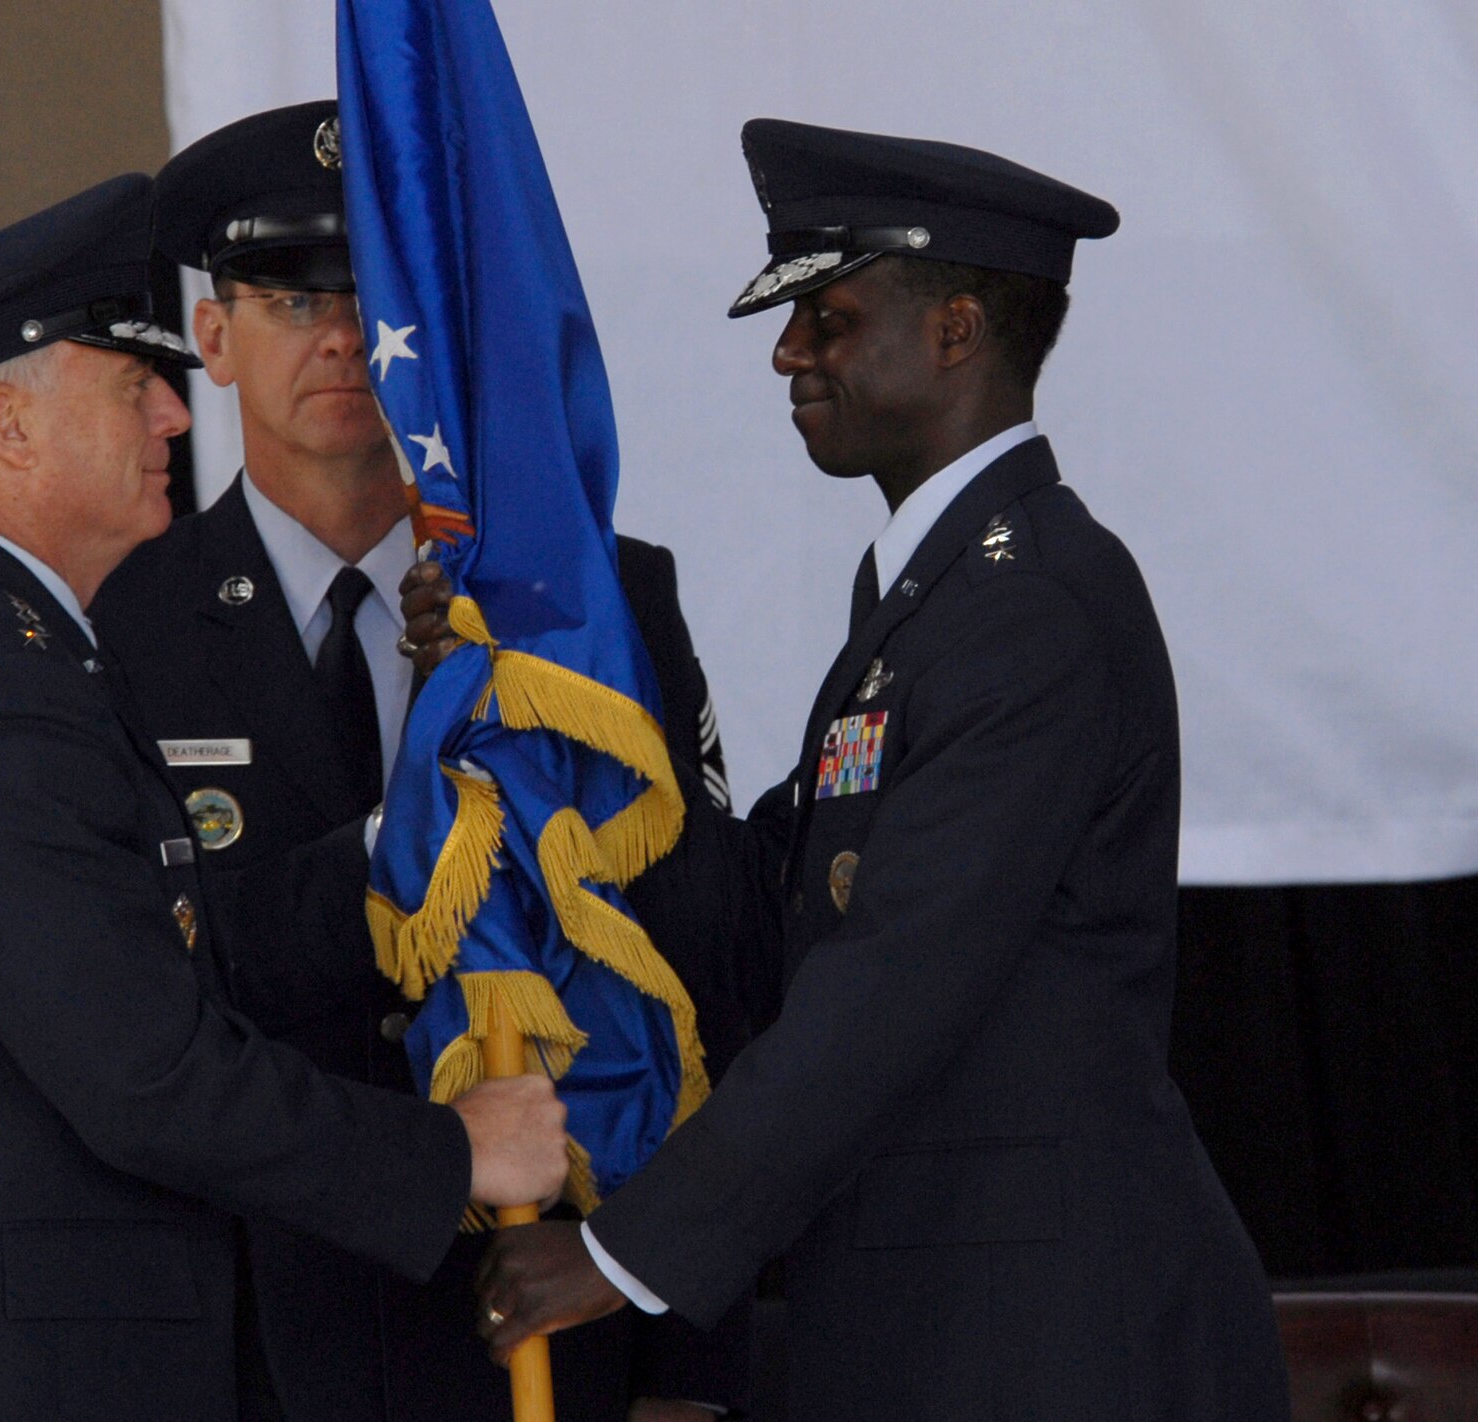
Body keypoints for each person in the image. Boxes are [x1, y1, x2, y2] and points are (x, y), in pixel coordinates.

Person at [425, 122, 1292, 1420]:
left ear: (954, 330)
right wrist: (551, 704)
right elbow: (771, 901)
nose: (787, 352)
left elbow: (889, 980)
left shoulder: (1030, 602)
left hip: (1050, 1337)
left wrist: (620, 1248)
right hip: (945, 1317)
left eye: (827, 317)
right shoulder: (925, 597)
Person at [0, 172, 569, 1422]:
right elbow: (149, 1078)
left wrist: (395, 853)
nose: (173, 420)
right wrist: (457, 1150)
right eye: (131, 386)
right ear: (9, 425)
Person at [90, 103, 749, 1422]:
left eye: (376, 295)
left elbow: (699, 962)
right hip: (261, 1329)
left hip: (550, 1306)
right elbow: (136, 985)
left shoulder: (589, 610)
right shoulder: (121, 622)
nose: (342, 336)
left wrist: (679, 1346)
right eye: (288, 298)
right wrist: (423, 832)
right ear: (212, 337)